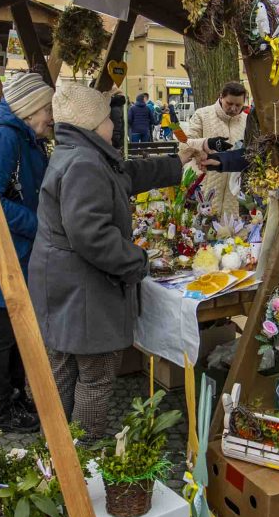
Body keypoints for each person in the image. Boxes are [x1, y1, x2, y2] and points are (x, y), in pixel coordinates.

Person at [30, 82, 208, 438]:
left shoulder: (80, 153)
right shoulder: (84, 163)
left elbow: (127, 175)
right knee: (94, 376)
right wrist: (138, 261)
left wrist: (179, 159)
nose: (114, 124)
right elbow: (92, 235)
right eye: (108, 118)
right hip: (83, 292)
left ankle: (56, 447)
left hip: (66, 287)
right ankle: (82, 453)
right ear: (93, 124)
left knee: (64, 369)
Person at [0, 73, 54, 433]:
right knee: (0, 335)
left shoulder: (24, 137)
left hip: (16, 252)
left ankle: (15, 396)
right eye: (47, 108)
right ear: (30, 109)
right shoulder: (4, 137)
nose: (51, 116)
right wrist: (37, 223)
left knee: (16, 332)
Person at [183, 81, 248, 216]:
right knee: (201, 224)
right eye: (229, 103)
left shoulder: (247, 120)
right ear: (221, 97)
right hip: (204, 184)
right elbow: (185, 143)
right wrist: (204, 145)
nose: (233, 108)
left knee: (231, 227)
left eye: (238, 105)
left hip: (234, 192)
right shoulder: (203, 114)